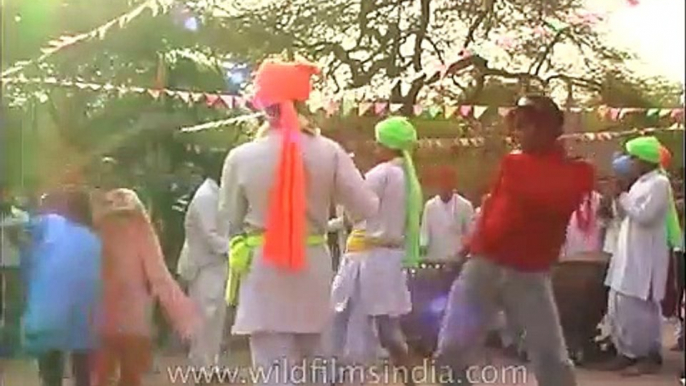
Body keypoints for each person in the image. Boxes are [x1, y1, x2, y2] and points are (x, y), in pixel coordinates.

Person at [217, 59, 379, 386]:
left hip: (263, 275)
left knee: (274, 375)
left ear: (264, 105)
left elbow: (229, 220)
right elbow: (365, 208)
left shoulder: (241, 157)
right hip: (314, 271)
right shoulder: (330, 152)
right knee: (320, 370)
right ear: (305, 102)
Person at [435, 95, 594, 386]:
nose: (520, 134)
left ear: (550, 129)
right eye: (518, 127)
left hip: (529, 273)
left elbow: (550, 200)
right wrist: (468, 248)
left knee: (551, 360)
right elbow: (494, 210)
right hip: (484, 265)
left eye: (528, 126)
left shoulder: (574, 171)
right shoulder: (521, 164)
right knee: (450, 350)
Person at [330, 116, 422, 383]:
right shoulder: (407, 177)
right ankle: (410, 379)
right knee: (388, 328)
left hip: (366, 259)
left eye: (378, 141)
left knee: (347, 322)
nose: (374, 146)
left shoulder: (382, 174)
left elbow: (355, 210)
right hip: (391, 259)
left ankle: (346, 378)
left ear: (387, 145)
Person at [94, 188, 199, 386]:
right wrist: (183, 318)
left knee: (103, 376)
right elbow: (159, 277)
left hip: (103, 316)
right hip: (133, 317)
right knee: (130, 376)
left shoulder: (98, 231)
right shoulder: (141, 231)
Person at [603, 136, 673, 375]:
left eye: (633, 158)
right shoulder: (640, 183)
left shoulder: (659, 183)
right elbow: (625, 216)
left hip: (645, 256)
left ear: (644, 160)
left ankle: (647, 357)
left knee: (639, 307)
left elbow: (645, 215)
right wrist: (617, 196)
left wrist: (623, 195)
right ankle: (625, 352)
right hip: (628, 253)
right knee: (619, 303)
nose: (629, 162)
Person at [21, 188, 101, 386]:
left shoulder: (51, 224)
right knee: (82, 365)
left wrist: (29, 249)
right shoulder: (95, 239)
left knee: (51, 364)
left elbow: (18, 227)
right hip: (84, 309)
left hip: (51, 306)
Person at [177, 156, 229, 383]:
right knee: (205, 317)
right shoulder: (206, 197)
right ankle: (202, 368)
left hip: (215, 264)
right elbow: (210, 236)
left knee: (216, 318)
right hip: (203, 265)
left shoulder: (218, 194)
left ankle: (212, 365)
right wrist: (234, 250)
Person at [420, 167, 474, 262]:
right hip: (435, 260)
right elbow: (424, 235)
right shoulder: (430, 206)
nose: (445, 186)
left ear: (454, 183)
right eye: (442, 182)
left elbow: (470, 236)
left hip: (457, 261)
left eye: (448, 182)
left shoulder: (465, 206)